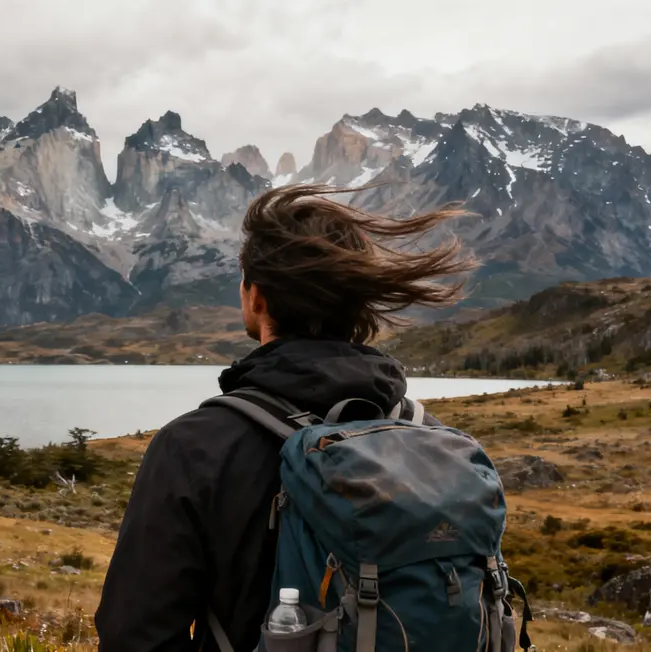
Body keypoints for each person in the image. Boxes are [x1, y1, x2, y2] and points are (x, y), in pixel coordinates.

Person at [94, 183, 478, 651]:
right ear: (358, 306)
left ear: (256, 298)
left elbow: (134, 636)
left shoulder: (195, 447)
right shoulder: (432, 438)